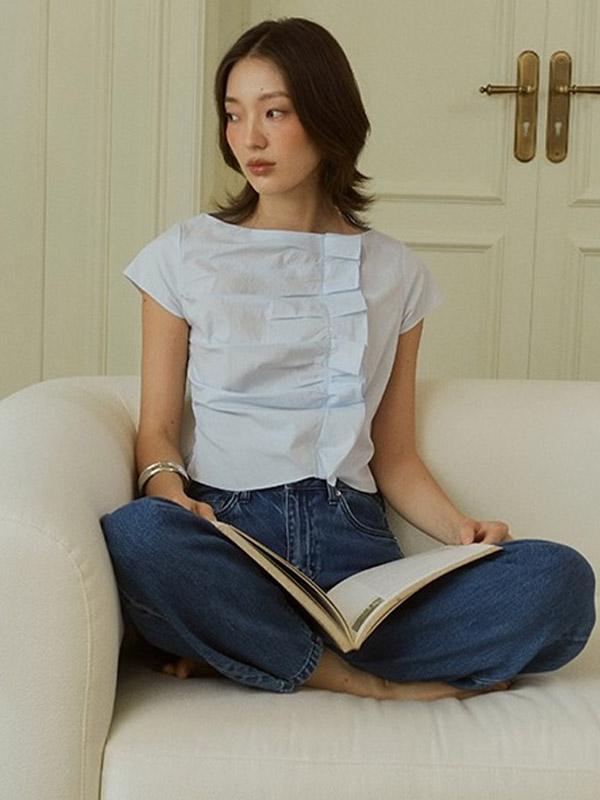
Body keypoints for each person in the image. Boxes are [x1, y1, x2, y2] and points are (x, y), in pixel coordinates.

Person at [102, 18, 595, 701]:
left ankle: (254, 648)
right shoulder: (181, 256)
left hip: (355, 544)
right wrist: (169, 494)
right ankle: (359, 680)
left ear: (328, 116)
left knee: (560, 579)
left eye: (274, 112)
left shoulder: (395, 272)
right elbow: (157, 431)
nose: (249, 139)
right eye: (234, 115)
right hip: (234, 538)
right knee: (139, 536)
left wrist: (460, 530)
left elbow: (394, 455)